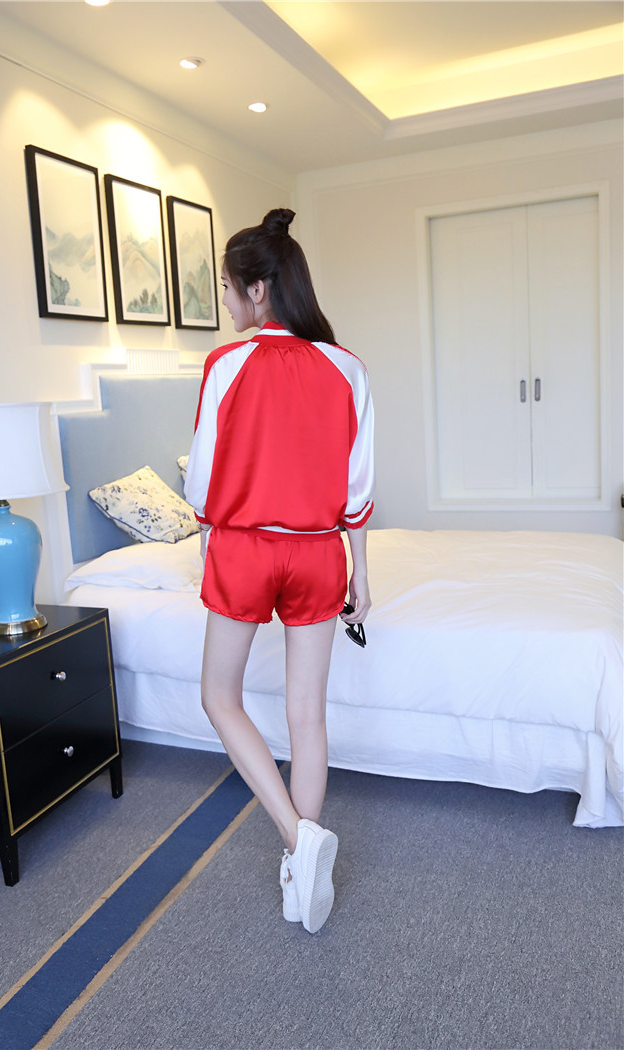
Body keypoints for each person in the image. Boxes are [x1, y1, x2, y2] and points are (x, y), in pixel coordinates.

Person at [184, 208, 374, 934]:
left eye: (228, 288)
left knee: (218, 696)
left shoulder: (224, 367)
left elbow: (202, 487)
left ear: (257, 290)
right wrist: (360, 571)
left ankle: (299, 841)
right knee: (308, 714)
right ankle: (302, 864)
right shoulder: (347, 368)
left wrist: (213, 535)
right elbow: (357, 487)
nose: (226, 303)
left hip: (245, 548)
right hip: (320, 550)